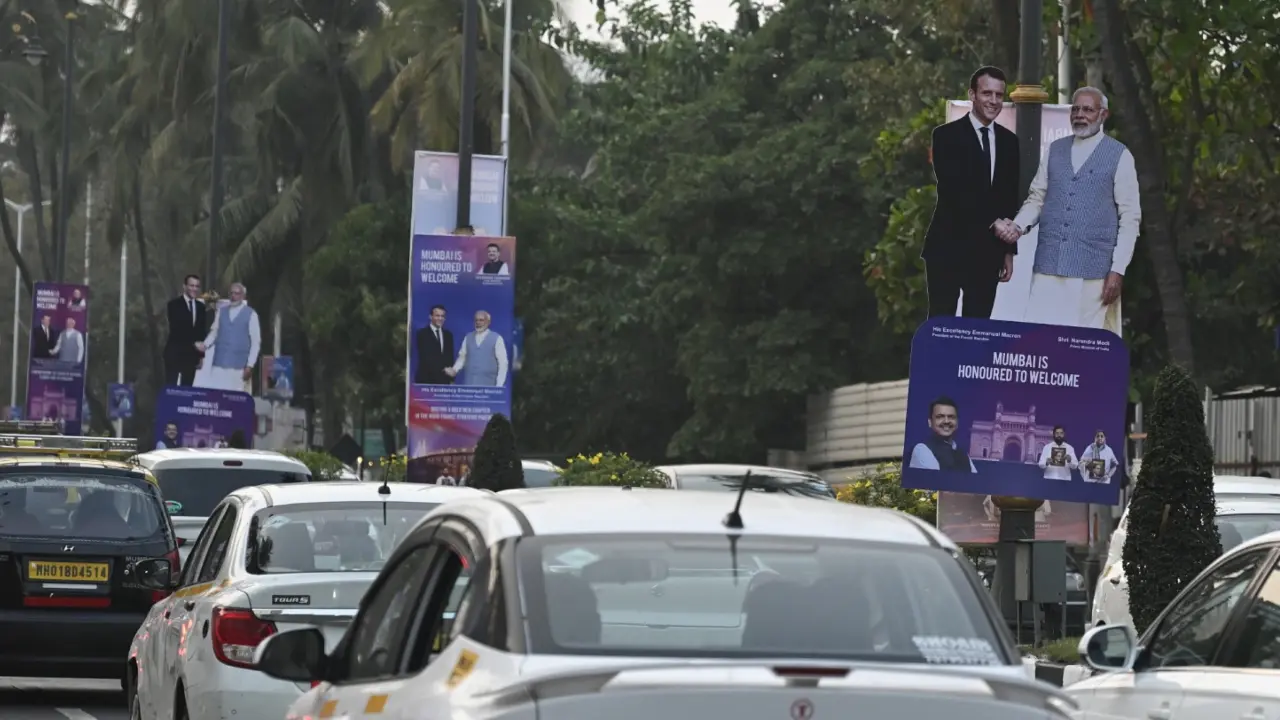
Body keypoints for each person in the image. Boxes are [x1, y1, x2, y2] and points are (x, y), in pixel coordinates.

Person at [995, 86, 1141, 334]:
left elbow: (1130, 218)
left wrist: (1118, 269)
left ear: (1103, 115)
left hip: (1093, 272)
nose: (1080, 114)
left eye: (1088, 109)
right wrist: (1018, 226)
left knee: (1081, 346)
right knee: (1038, 340)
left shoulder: (1120, 155)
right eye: (1075, 109)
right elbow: (1037, 198)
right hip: (1049, 266)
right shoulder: (1055, 149)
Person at [922, 66, 1020, 319]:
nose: (994, 101)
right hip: (948, 248)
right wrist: (992, 222)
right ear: (972, 95)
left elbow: (1009, 196)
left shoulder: (1010, 142)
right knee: (942, 329)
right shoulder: (945, 136)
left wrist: (1009, 251)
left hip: (988, 254)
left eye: (999, 95)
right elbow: (953, 189)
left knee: (977, 334)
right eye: (987, 93)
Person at [195, 283, 261, 392]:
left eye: (237, 293)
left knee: (235, 400)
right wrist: (205, 345)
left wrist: (250, 365)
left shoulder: (251, 314)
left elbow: (255, 342)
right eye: (231, 293)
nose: (234, 296)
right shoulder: (222, 311)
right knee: (218, 398)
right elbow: (214, 332)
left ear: (243, 296)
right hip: (219, 364)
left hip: (238, 366)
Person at [908, 396, 978, 472]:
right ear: (930, 422)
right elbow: (936, 481)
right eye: (940, 417)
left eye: (951, 417)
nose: (946, 421)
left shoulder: (964, 455)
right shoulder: (922, 449)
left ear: (957, 423)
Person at [164, 274, 209, 386]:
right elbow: (177, 329)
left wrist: (200, 355)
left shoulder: (201, 307)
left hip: (191, 357)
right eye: (191, 285)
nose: (194, 289)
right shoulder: (173, 305)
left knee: (187, 391)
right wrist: (194, 343)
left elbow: (201, 332)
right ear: (184, 286)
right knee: (171, 389)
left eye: (197, 286)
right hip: (175, 353)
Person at [446, 311, 509, 387]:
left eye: (481, 320)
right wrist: (455, 369)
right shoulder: (468, 337)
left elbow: (503, 363)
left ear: (488, 322)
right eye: (476, 320)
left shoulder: (497, 339)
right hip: (469, 385)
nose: (478, 322)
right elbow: (462, 357)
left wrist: (499, 385)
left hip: (489, 387)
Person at [414, 305, 455, 384]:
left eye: (442, 316)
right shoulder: (422, 334)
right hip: (426, 380)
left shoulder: (448, 335)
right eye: (437, 316)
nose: (440, 318)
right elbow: (427, 357)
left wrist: (451, 376)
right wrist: (444, 369)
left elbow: (450, 357)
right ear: (430, 317)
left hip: (444, 381)